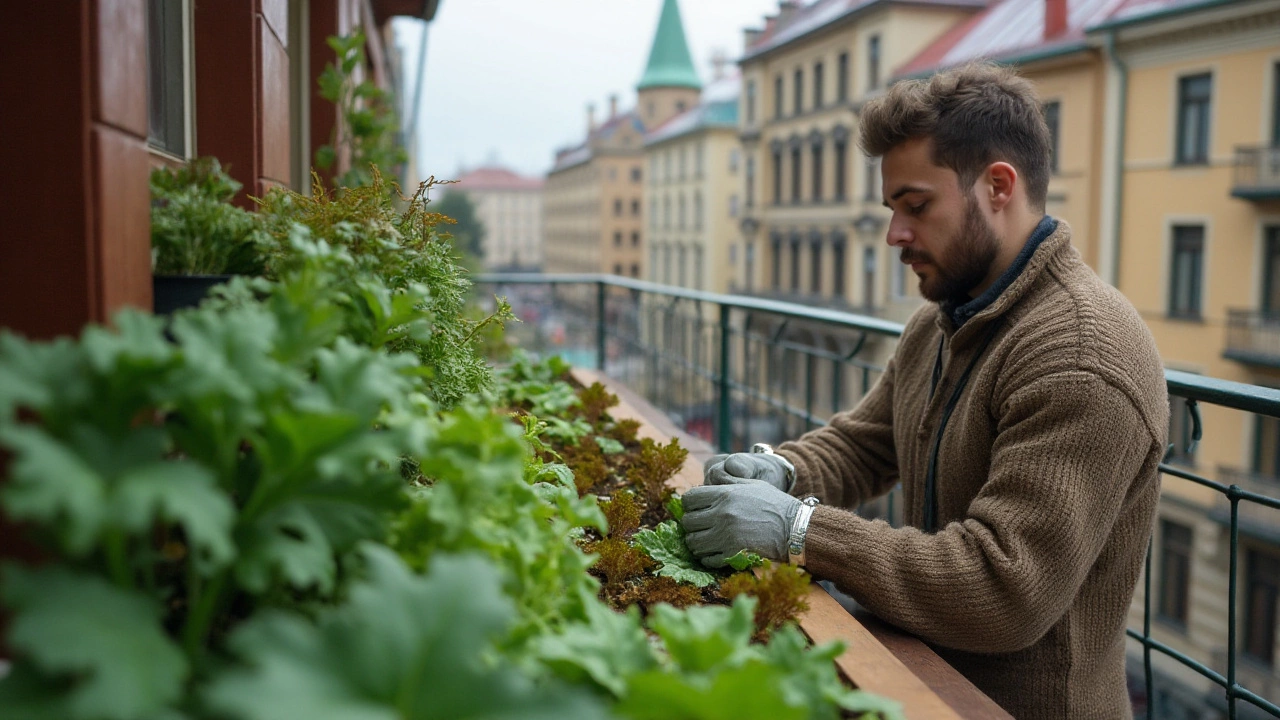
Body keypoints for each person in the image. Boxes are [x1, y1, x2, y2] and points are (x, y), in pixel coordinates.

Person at [680, 62, 1168, 720]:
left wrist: (798, 531)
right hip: (918, 681)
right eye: (892, 210)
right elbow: (867, 441)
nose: (895, 236)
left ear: (998, 186)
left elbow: (1003, 588)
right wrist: (783, 468)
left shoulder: (1081, 355)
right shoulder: (946, 317)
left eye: (916, 206)